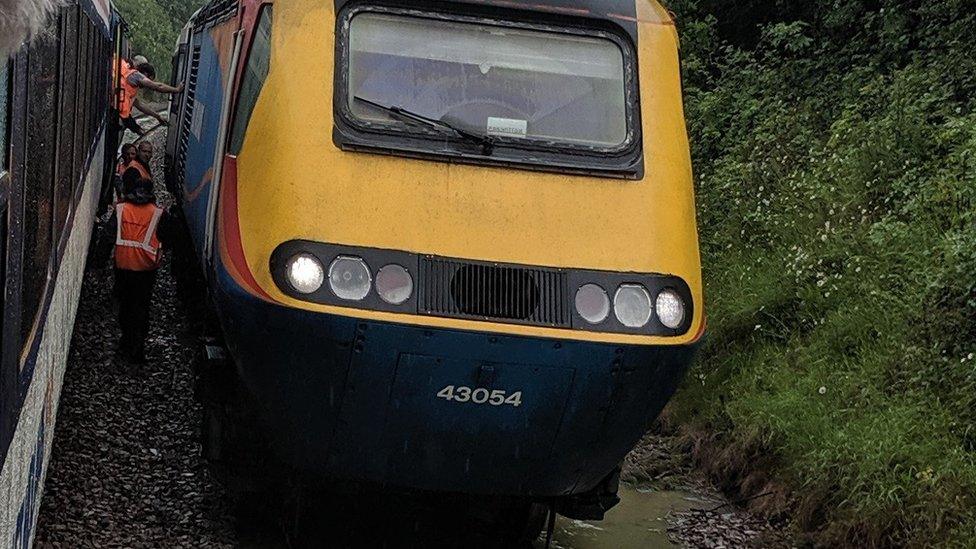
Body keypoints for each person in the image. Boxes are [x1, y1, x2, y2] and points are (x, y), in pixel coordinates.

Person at [109, 176, 174, 365]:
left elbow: (108, 235)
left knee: (125, 307)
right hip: (146, 270)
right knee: (141, 308)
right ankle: (138, 348)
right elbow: (170, 236)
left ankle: (126, 342)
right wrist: (160, 250)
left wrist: (97, 262)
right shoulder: (158, 213)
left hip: (123, 266)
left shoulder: (121, 209)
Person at [119, 60, 182, 137]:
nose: (147, 85)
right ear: (145, 74)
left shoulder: (129, 85)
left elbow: (140, 105)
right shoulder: (136, 76)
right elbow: (158, 87)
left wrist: (157, 116)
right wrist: (176, 90)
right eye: (150, 79)